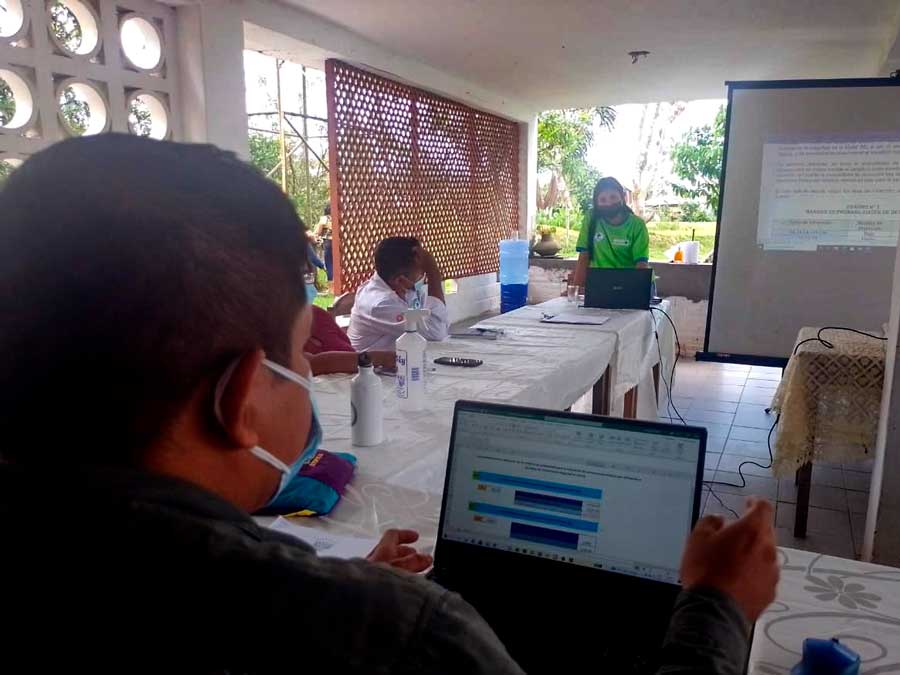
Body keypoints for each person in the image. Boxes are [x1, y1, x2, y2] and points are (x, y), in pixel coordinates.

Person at [0, 135, 778, 672]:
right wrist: (716, 606)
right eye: (302, 354)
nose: (314, 371)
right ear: (241, 399)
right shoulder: (408, 636)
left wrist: (325, 578)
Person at [349, 236, 449, 351]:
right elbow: (436, 332)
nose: (422, 277)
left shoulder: (405, 289)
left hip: (402, 357)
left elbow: (441, 325)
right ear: (400, 280)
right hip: (374, 362)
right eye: (421, 272)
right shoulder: (380, 303)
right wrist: (433, 272)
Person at [573, 177, 650, 288]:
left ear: (623, 197)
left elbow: (641, 264)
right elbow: (584, 256)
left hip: (631, 283)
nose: (608, 203)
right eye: (603, 200)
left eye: (613, 197)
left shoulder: (637, 225)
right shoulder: (591, 218)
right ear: (596, 202)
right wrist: (576, 289)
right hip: (601, 283)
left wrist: (634, 291)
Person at [314, 203, 334, 282]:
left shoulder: (324, 218)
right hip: (338, 242)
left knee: (329, 263)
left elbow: (318, 232)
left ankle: (331, 281)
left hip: (328, 242)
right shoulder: (337, 217)